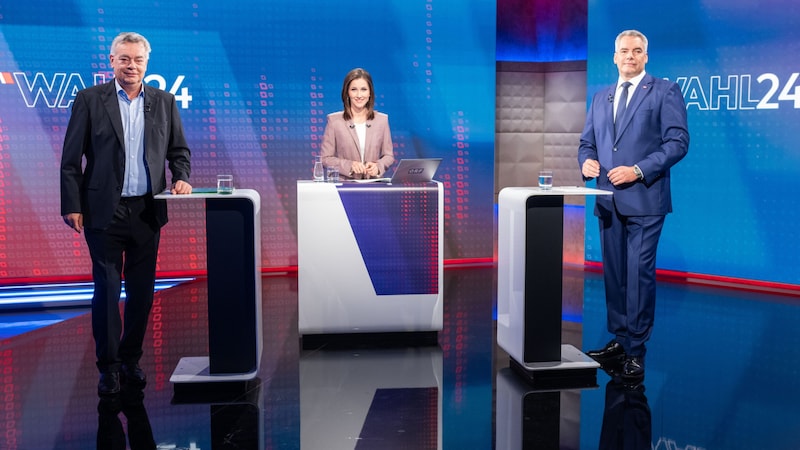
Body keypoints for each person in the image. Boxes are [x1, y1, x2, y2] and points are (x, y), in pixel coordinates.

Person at [60, 31, 192, 397]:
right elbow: (71, 160)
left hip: (147, 211)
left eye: (137, 60)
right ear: (112, 61)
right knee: (106, 291)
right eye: (124, 59)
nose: (131, 65)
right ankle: (109, 367)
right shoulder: (89, 100)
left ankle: (131, 360)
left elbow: (179, 150)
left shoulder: (164, 102)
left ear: (146, 64)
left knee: (142, 293)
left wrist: (181, 177)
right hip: (103, 211)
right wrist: (71, 204)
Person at [578, 30, 689, 380]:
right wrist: (586, 163)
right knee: (615, 275)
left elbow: (678, 142)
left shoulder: (664, 91)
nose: (630, 56)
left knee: (638, 276)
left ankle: (636, 351)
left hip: (645, 199)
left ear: (646, 56)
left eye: (637, 51)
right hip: (607, 200)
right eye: (624, 51)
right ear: (614, 57)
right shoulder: (600, 97)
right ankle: (620, 339)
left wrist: (639, 170)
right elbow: (586, 144)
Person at [320, 68, 394, 179]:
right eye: (354, 89)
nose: (359, 95)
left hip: (373, 187)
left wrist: (378, 166)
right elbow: (325, 158)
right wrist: (350, 165)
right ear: (347, 93)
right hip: (345, 187)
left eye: (364, 89)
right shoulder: (334, 121)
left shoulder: (381, 120)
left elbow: (388, 156)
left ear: (370, 93)